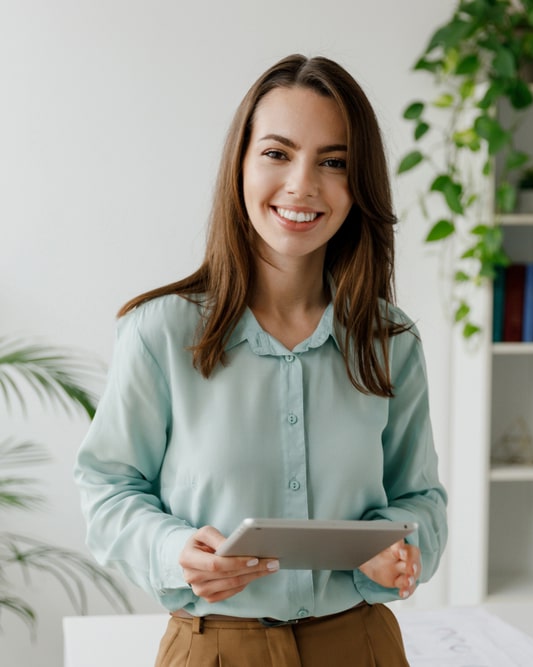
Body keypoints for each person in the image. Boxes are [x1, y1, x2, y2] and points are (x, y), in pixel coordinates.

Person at [74, 53, 447, 667]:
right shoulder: (158, 333)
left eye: (334, 162)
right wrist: (174, 552)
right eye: (278, 153)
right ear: (240, 165)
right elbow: (108, 488)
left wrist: (401, 551)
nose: (303, 184)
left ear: (361, 186)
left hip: (361, 645)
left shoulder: (391, 340)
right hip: (213, 647)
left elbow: (422, 498)